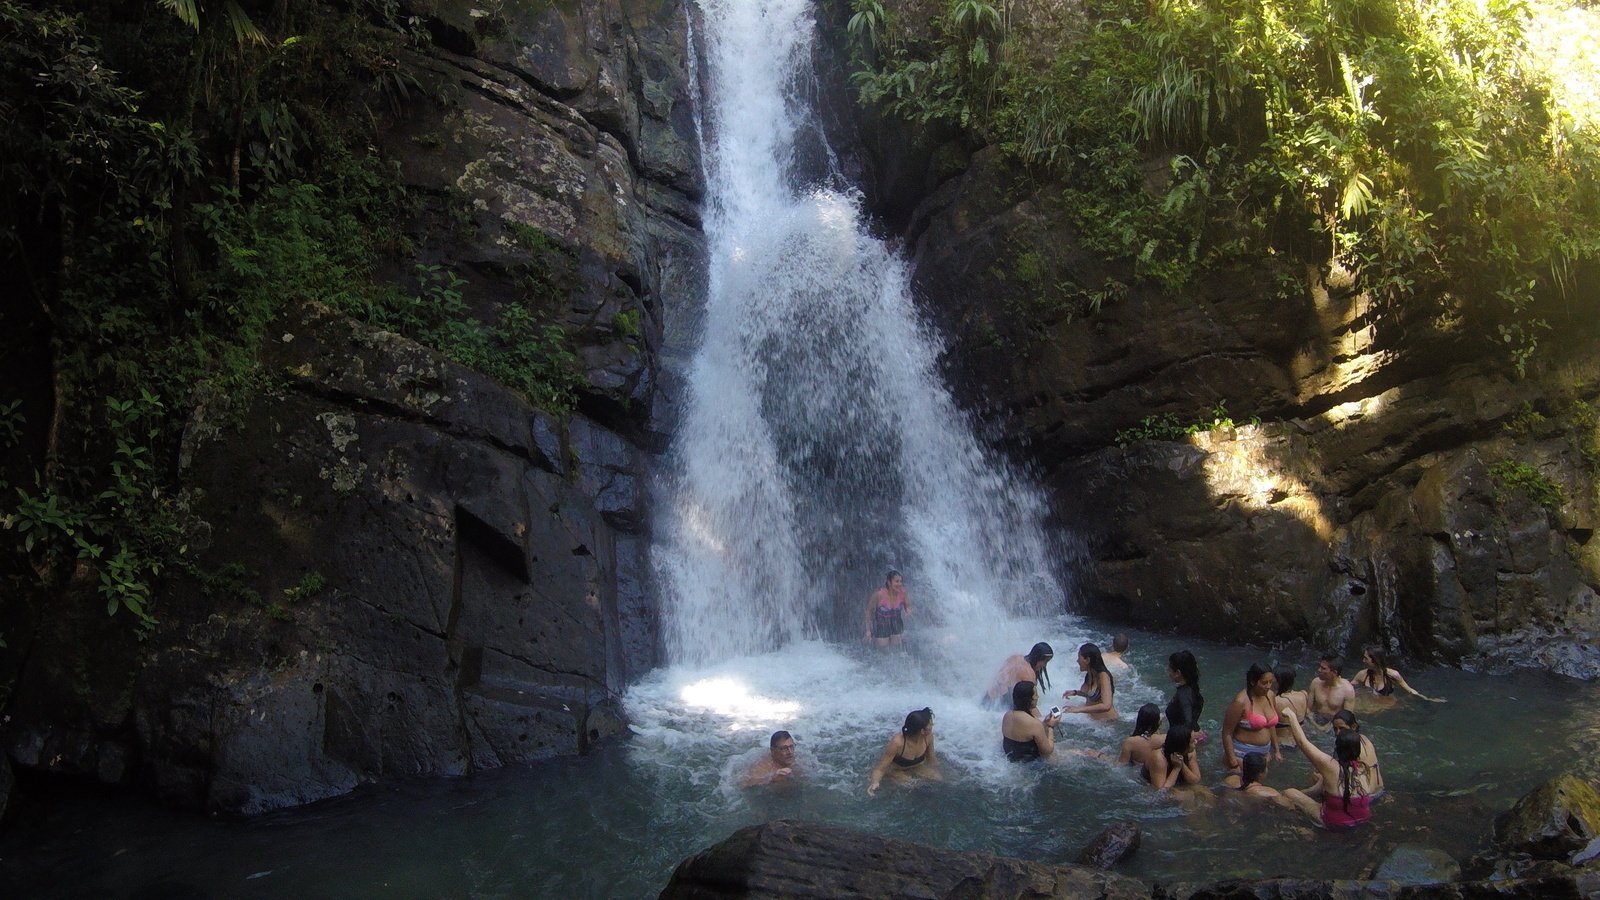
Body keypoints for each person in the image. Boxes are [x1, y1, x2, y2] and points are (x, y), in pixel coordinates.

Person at [1278, 714, 1377, 828]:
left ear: (1337, 748)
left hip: (1334, 823)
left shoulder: (1331, 766)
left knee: (1289, 793)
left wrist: (1291, 716)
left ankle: (1296, 826)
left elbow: (1302, 742)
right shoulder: (1364, 768)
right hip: (1363, 819)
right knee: (1322, 781)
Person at [867, 708, 941, 795]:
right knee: (911, 785)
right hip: (896, 770)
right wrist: (874, 782)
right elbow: (880, 768)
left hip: (917, 767)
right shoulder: (898, 743)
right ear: (922, 731)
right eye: (930, 724)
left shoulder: (928, 737)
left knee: (938, 779)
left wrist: (938, 770)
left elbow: (932, 760)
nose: (933, 725)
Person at [1221, 663, 1281, 770]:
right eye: (1264, 683)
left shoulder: (1270, 695)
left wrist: (1276, 750)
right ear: (1253, 682)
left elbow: (1271, 725)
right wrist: (1233, 763)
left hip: (1265, 756)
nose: (1268, 686)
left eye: (1271, 682)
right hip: (1242, 757)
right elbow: (1227, 733)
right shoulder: (1240, 702)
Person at [1352, 647, 1445, 703]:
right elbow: (1350, 688)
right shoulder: (1362, 675)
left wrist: (1428, 699)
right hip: (1371, 707)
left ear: (1375, 660)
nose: (1363, 661)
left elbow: (1409, 690)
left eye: (1366, 658)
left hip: (1388, 707)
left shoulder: (1393, 675)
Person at [1001, 681, 1061, 761]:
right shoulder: (1034, 724)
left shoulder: (1007, 716)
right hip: (1031, 766)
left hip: (1010, 760)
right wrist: (1051, 727)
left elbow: (1024, 731)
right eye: (1036, 694)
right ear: (1029, 699)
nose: (1038, 697)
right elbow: (1048, 752)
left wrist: (1045, 724)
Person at [984, 642, 1054, 707]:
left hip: (987, 698)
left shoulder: (1015, 657)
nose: (1044, 665)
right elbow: (1030, 705)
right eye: (1045, 661)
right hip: (1000, 705)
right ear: (1038, 658)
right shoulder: (1029, 675)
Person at [1061, 642, 1118, 720]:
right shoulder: (1089, 674)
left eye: (1079, 658)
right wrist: (1075, 692)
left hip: (1108, 723)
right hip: (1094, 722)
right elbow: (1091, 694)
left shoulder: (1103, 676)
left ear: (1087, 660)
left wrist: (1078, 709)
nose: (1077, 661)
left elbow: (1106, 705)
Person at [863, 569, 912, 649]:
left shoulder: (903, 592)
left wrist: (908, 611)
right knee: (883, 650)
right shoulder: (879, 595)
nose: (899, 584)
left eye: (900, 581)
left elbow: (908, 605)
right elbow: (868, 611)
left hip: (896, 623)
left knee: (896, 649)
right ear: (889, 583)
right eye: (897, 581)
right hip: (882, 624)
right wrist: (868, 630)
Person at [1308, 655, 1355, 726]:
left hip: (1334, 726)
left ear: (1334, 673)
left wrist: (1327, 728)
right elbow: (1308, 709)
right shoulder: (1315, 683)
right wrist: (1315, 725)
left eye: (1323, 668)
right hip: (1315, 720)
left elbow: (1347, 719)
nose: (1319, 670)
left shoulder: (1347, 690)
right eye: (1320, 666)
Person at [1273, 665, 1310, 749]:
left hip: (1281, 743)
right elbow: (1309, 716)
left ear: (1279, 681)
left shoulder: (1275, 701)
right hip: (1300, 742)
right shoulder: (1304, 694)